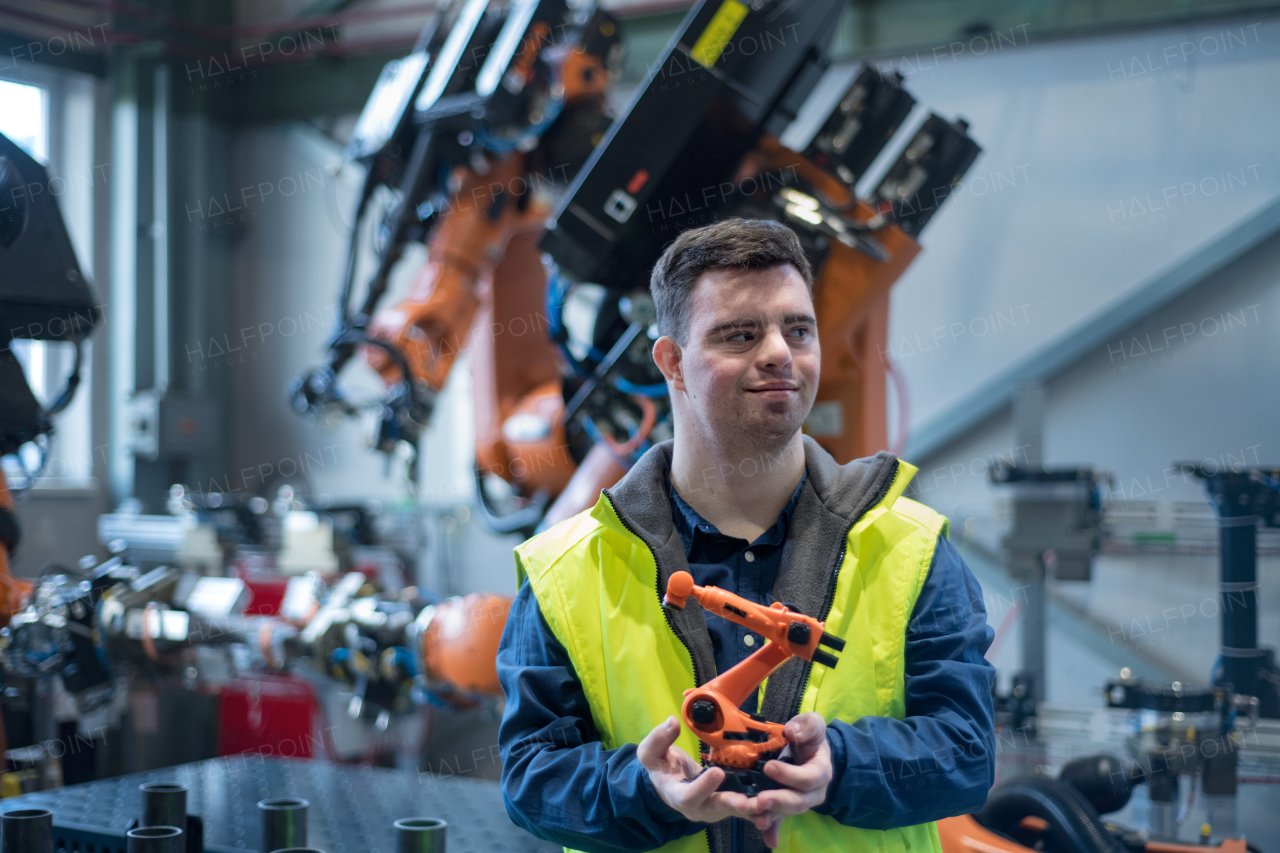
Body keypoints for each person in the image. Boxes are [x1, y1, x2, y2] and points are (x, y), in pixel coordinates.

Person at [496, 218, 996, 853]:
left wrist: (842, 765)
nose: (780, 352)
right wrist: (644, 791)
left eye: (798, 329)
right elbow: (530, 777)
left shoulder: (912, 548)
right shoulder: (565, 570)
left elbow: (968, 751)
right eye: (740, 334)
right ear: (672, 363)